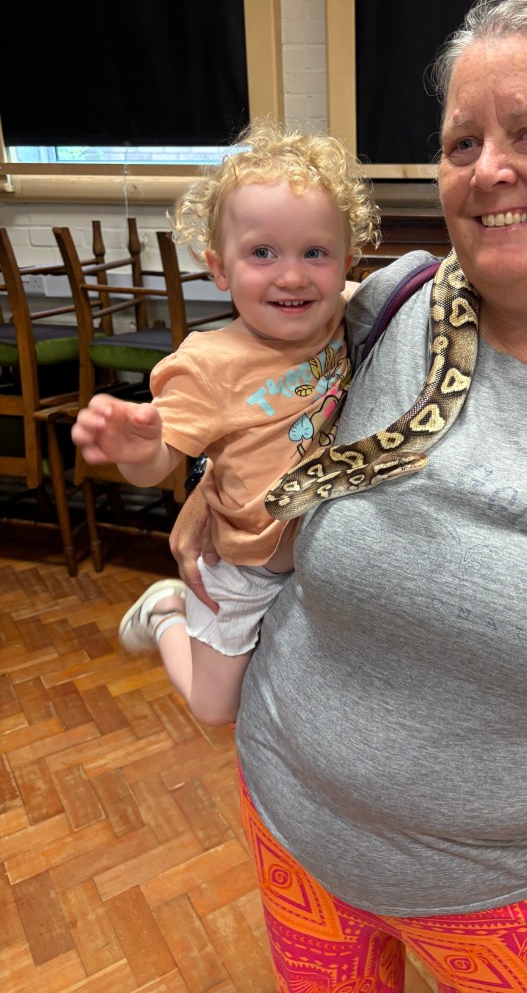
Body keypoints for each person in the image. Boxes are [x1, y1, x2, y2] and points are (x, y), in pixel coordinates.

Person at [149, 0, 527, 993]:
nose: (487, 170)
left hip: (523, 894)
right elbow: (267, 416)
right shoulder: (381, 309)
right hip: (293, 820)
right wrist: (212, 492)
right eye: (458, 142)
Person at [71, 119, 379, 726]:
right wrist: (139, 446)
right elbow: (159, 466)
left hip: (325, 554)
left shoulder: (347, 311)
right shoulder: (205, 365)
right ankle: (164, 612)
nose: (291, 275)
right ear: (219, 267)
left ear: (347, 261)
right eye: (262, 253)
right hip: (243, 564)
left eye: (314, 252)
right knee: (215, 708)